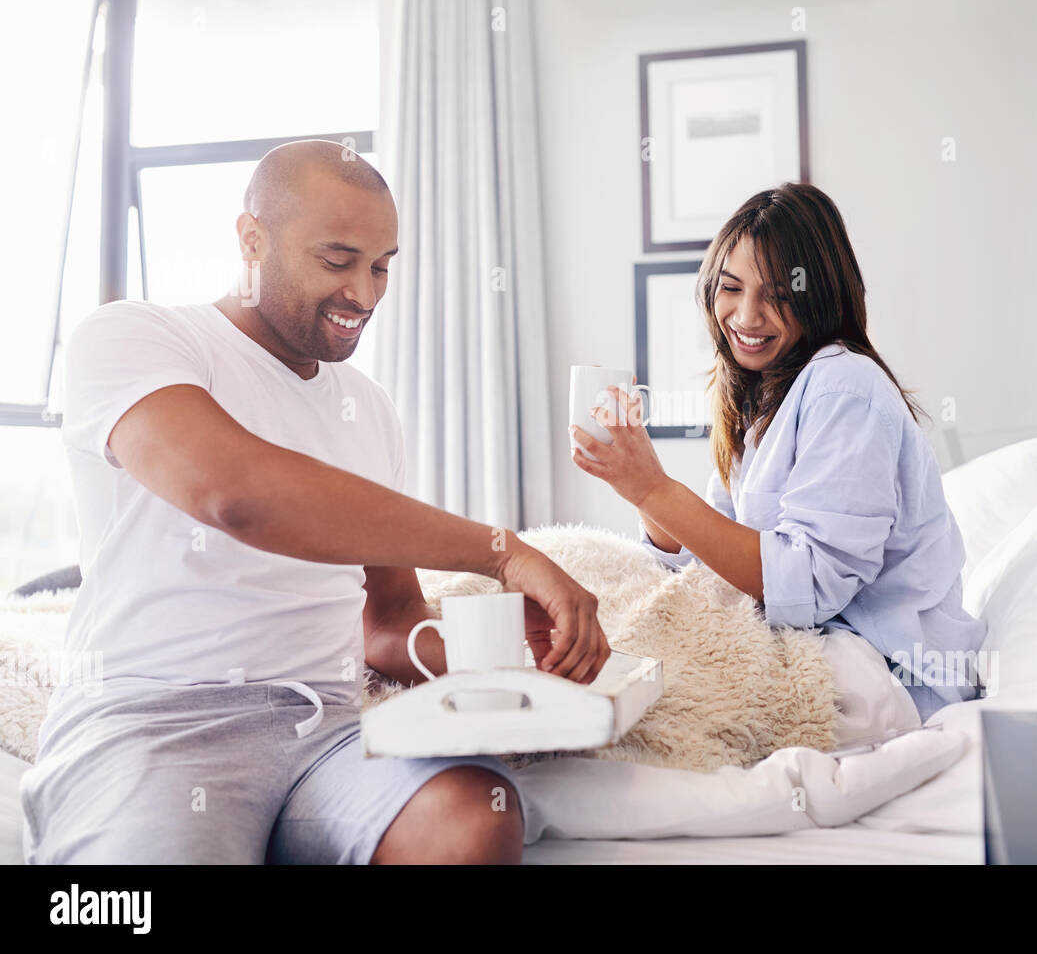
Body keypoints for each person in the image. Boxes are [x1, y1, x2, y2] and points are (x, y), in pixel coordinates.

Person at [21, 139, 610, 865]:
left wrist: (514, 661)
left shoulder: (369, 408)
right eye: (337, 261)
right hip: (152, 722)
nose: (363, 294)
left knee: (475, 823)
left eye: (382, 266)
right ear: (251, 239)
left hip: (324, 734)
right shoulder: (135, 338)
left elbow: (387, 622)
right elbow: (234, 493)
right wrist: (502, 551)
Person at [570, 182, 984, 737]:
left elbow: (808, 586)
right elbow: (710, 557)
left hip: (888, 672)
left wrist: (653, 490)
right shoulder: (761, 396)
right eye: (731, 288)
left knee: (641, 691)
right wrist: (638, 482)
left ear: (819, 295)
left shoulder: (845, 386)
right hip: (822, 649)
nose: (746, 315)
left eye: (776, 295)